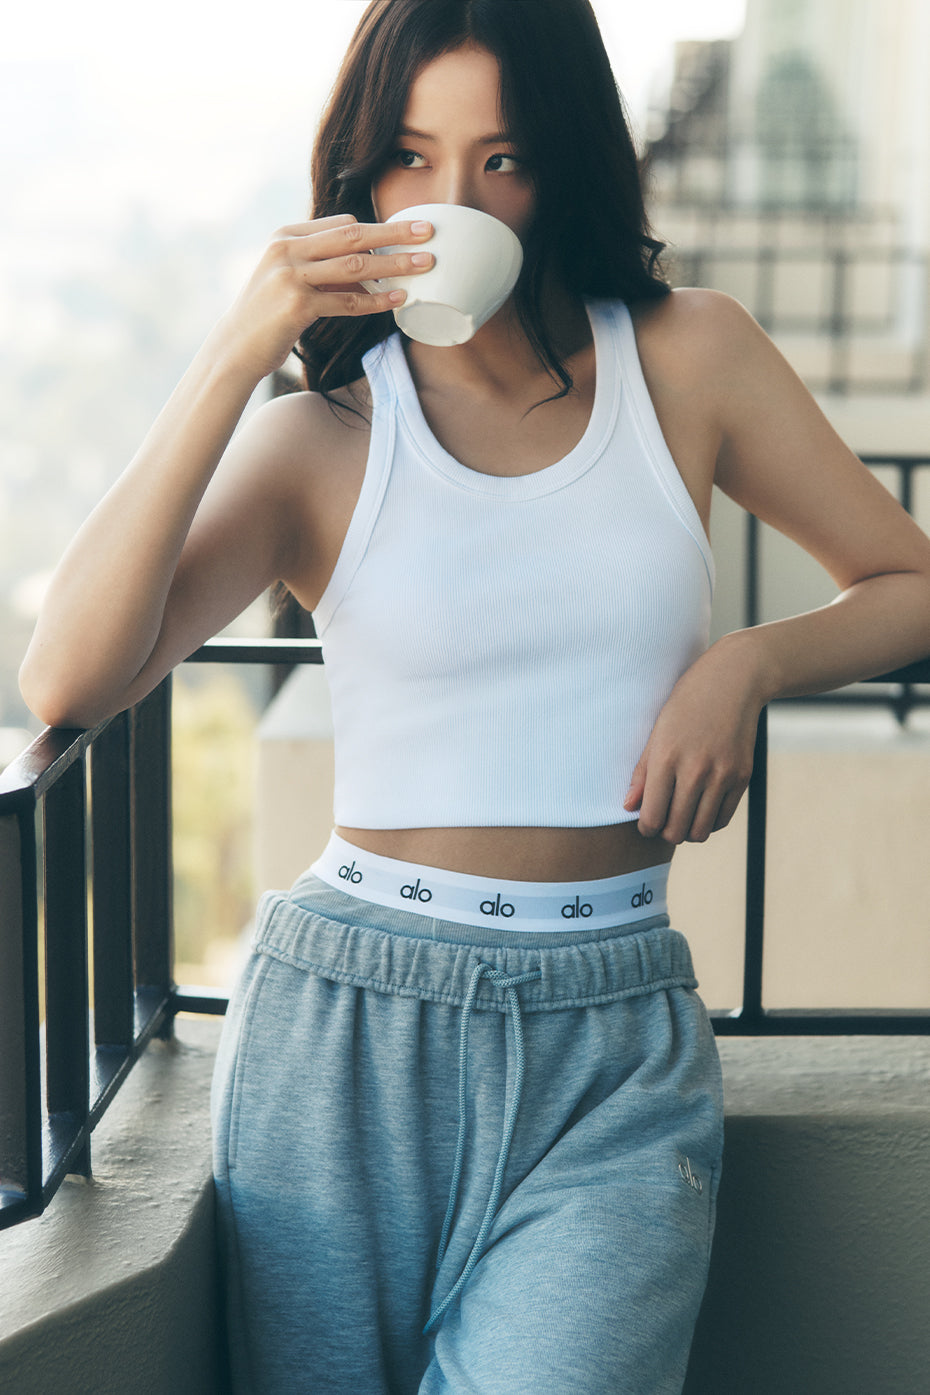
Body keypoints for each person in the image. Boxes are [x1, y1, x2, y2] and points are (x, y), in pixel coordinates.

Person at [19, 1, 930, 1391]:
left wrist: (748, 660)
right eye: (407, 157)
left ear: (561, 163)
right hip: (342, 1036)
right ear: (356, 176)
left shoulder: (689, 355)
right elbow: (67, 675)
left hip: (612, 1041)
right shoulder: (318, 439)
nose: (447, 205)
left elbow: (904, 581)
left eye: (499, 160)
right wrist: (227, 355)